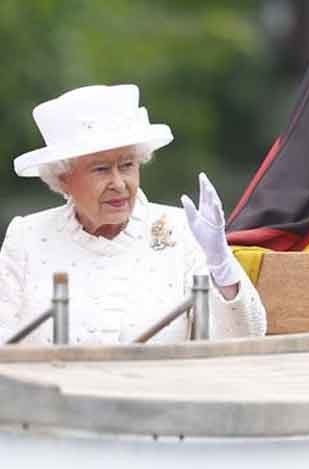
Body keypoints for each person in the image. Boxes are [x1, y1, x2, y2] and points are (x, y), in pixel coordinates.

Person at [0, 84, 267, 344]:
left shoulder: (183, 230)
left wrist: (222, 268)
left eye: (127, 165)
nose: (119, 183)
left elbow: (246, 337)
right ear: (63, 178)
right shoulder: (26, 236)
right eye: (101, 169)